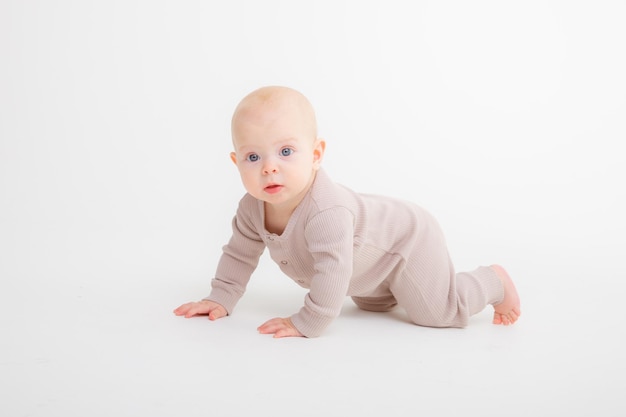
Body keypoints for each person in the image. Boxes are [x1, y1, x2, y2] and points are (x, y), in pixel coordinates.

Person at [174, 85, 521, 338]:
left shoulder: (326, 212)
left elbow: (333, 271)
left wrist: (307, 321)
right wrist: (220, 298)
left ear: (316, 154)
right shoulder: (251, 209)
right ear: (236, 162)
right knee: (372, 304)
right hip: (368, 269)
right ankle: (394, 289)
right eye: (253, 157)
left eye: (286, 151)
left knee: (437, 312)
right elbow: (239, 254)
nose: (269, 168)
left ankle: (492, 281)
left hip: (407, 240)